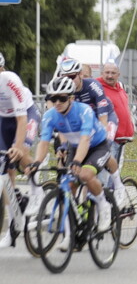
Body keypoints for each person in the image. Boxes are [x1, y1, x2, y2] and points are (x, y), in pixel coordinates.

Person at [28, 77, 127, 242]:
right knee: (69, 183)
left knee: (85, 175)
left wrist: (77, 162)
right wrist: (37, 162)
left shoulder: (84, 111)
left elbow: (85, 140)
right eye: (53, 98)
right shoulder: (50, 116)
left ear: (72, 98)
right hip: (75, 146)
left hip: (97, 145)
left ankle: (104, 207)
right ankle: (77, 221)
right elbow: (44, 142)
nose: (57, 102)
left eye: (62, 98)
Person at [0, 64, 43, 247]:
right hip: (4, 120)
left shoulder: (10, 80)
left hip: (26, 115)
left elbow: (22, 119)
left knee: (20, 153)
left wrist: (18, 147)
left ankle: (36, 187)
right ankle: (13, 225)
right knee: (6, 172)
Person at [57, 59, 119, 142]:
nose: (69, 81)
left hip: (105, 116)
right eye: (65, 77)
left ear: (81, 74)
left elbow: (103, 118)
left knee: (105, 145)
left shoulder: (93, 86)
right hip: (86, 120)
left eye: (72, 77)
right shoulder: (63, 90)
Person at [97, 62, 135, 163]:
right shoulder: (97, 88)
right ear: (102, 73)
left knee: (115, 174)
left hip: (120, 140)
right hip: (109, 140)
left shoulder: (119, 88)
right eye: (107, 72)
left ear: (118, 75)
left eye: (113, 73)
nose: (110, 76)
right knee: (108, 174)